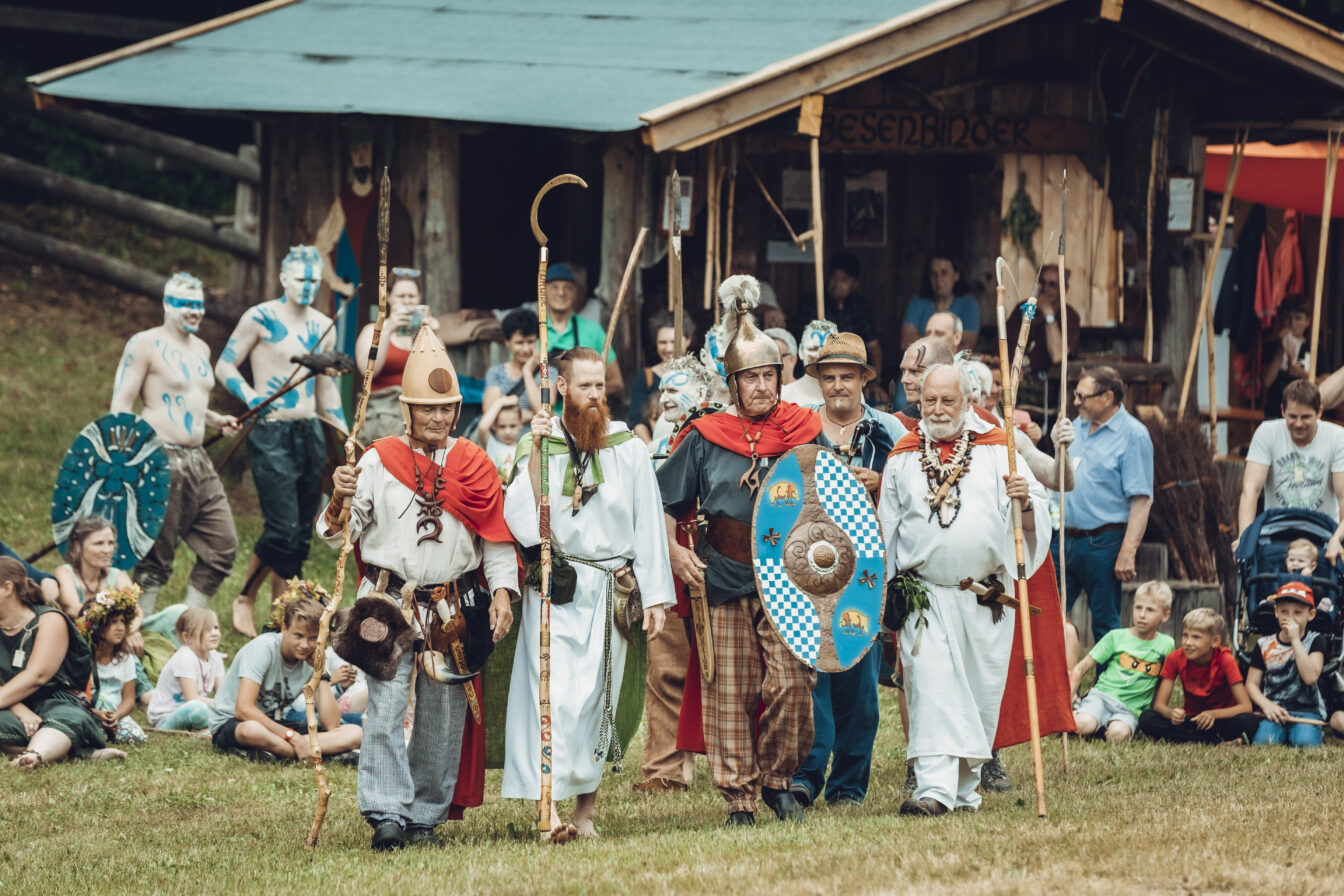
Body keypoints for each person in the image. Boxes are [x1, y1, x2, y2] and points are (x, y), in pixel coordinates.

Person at [322, 322, 516, 850]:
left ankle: (424, 817)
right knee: (385, 707)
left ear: (457, 409)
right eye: (427, 409)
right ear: (406, 410)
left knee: (442, 714)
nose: (438, 417)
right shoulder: (377, 459)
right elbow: (341, 531)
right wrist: (340, 497)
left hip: (450, 604)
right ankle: (386, 813)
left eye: (446, 408)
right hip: (385, 600)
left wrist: (502, 592)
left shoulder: (474, 463)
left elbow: (495, 536)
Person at [658, 275, 822, 826]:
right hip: (724, 572)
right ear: (732, 383)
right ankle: (739, 798)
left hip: (790, 575)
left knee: (792, 682)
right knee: (729, 689)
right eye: (750, 377)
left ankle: (777, 780)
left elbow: (833, 500)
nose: (761, 386)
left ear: (781, 376)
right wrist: (674, 551)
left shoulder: (804, 430)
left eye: (769, 375)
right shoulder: (705, 435)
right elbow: (664, 502)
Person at [503, 346, 674, 839]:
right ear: (561, 387)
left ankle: (585, 814)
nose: (596, 395)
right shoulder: (541, 443)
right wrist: (537, 451)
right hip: (559, 588)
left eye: (600, 386)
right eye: (585, 386)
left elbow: (648, 524)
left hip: (610, 589)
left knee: (599, 700)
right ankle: (550, 813)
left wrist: (655, 597)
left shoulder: (628, 447)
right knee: (553, 698)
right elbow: (523, 520)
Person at [879, 364, 1049, 815]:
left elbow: (1036, 518)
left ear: (968, 402)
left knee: (976, 696)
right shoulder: (903, 455)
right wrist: (882, 592)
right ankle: (933, 790)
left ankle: (961, 791)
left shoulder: (998, 449)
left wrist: (1025, 500)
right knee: (932, 689)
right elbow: (885, 529)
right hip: (925, 596)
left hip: (985, 598)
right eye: (929, 400)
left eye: (947, 400)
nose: (937, 409)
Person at [787, 333, 900, 809]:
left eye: (847, 377)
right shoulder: (800, 428)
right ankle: (806, 776)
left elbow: (913, 490)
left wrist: (883, 482)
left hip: (866, 571)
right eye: (829, 377)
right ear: (819, 381)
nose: (838, 385)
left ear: (863, 380)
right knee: (813, 675)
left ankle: (849, 786)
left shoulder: (888, 432)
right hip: (807, 569)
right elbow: (782, 491)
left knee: (859, 681)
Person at [217, 245, 349, 638]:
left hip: (309, 430)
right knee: (282, 526)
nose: (308, 286)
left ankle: (283, 609)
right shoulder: (260, 317)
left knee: (303, 529)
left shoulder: (324, 324)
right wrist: (251, 397)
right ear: (284, 278)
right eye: (301, 278)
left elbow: (325, 388)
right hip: (271, 429)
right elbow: (224, 365)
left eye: (314, 280)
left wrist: (344, 436)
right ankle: (244, 597)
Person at [110, 272, 240, 613]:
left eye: (199, 304)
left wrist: (215, 419)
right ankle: (139, 627)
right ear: (167, 304)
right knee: (156, 552)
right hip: (159, 456)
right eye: (185, 304)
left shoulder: (201, 348)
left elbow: (189, 401)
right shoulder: (144, 344)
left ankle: (188, 627)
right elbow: (121, 404)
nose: (194, 311)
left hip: (198, 460)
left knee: (223, 545)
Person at [0, 557, 125, 768]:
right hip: (9, 705)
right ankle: (70, 752)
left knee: (68, 718)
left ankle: (34, 755)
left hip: (55, 700)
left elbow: (37, 677)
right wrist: (18, 708)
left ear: (7, 588)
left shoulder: (49, 619)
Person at [209, 597, 361, 763]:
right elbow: (243, 710)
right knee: (252, 730)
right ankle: (310, 754)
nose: (304, 645)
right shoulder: (262, 649)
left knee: (354, 733)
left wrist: (320, 672)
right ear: (284, 629)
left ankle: (278, 751)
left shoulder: (311, 658)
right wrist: (292, 737)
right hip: (233, 723)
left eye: (313, 638)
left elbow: (332, 724)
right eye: (298, 635)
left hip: (272, 725)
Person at [1062, 366, 1154, 643]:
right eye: (1076, 394)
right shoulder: (1075, 426)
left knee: (1104, 624)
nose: (1076, 401)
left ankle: (1108, 673)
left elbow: (1142, 499)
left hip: (1104, 541)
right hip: (1064, 537)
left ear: (1108, 397)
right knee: (1048, 613)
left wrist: (1128, 552)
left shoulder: (1134, 435)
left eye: (1083, 396)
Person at [1238, 379, 1344, 566]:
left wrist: (1338, 539)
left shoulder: (1337, 437)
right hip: (1276, 531)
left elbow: (1343, 497)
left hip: (1323, 533)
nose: (1299, 423)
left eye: (1306, 417)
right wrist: (1244, 539)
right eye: (1292, 416)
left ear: (1319, 412)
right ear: (1282, 411)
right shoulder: (1267, 432)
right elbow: (1251, 490)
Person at [1068, 581, 1174, 743]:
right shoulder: (1116, 637)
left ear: (1165, 616)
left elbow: (1162, 682)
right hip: (1101, 698)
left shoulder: (1167, 645)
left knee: (1118, 735)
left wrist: (1154, 716)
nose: (1142, 615)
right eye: (1138, 607)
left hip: (1130, 709)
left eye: (1150, 610)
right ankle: (1086, 717)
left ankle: (1102, 726)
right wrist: (1066, 705)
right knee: (1083, 725)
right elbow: (1080, 669)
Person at [1138, 608, 1257, 744]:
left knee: (1249, 721)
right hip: (1191, 720)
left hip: (1220, 721)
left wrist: (1213, 714)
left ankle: (1187, 739)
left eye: (1196, 637)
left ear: (1215, 641)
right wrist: (1171, 713)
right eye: (1185, 635)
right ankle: (1217, 742)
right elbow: (1159, 705)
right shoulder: (1175, 658)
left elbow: (1246, 707)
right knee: (1146, 719)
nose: (1188, 642)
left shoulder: (1226, 660)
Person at [355, 268, 439, 444]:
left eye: (412, 296)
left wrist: (434, 336)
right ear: (389, 297)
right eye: (401, 296)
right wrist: (388, 330)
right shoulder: (373, 330)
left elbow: (441, 376)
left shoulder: (427, 332)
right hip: (380, 417)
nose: (407, 301)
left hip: (418, 414)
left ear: (420, 298)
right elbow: (367, 371)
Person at [1245, 582, 1327, 747]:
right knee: (1263, 744)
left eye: (1298, 612)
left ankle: (1310, 733)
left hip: (1307, 711)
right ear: (1276, 612)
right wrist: (1266, 705)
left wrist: (1295, 640)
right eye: (1284, 611)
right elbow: (1251, 684)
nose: (1290, 617)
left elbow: (1310, 677)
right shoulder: (1263, 644)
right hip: (1274, 709)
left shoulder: (1316, 640)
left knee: (1304, 743)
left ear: (1310, 614)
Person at [1005, 264, 1080, 417]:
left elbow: (1058, 355)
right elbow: (1000, 346)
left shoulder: (1069, 316)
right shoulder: (1022, 309)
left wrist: (1048, 313)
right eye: (1042, 282)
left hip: (1042, 387)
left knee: (1004, 396)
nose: (1045, 288)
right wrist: (1009, 367)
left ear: (1064, 289)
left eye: (1052, 285)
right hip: (1011, 378)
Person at [79, 585, 147, 745]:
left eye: (123, 621)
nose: (120, 627)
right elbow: (74, 696)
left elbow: (129, 699)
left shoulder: (125, 658)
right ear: (97, 626)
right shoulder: (83, 658)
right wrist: (95, 713)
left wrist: (117, 715)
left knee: (135, 736)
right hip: (88, 713)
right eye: (113, 622)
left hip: (115, 715)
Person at [542, 263, 622, 395]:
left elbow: (616, 381)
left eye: (568, 288)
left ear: (576, 292)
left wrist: (583, 394)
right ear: (543, 291)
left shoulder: (593, 330)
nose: (561, 293)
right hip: (539, 407)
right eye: (554, 287)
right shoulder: (532, 332)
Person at [804, 254, 881, 389]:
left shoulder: (860, 306)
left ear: (854, 284)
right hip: (819, 374)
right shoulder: (813, 304)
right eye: (834, 278)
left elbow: (874, 347)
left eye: (843, 280)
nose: (837, 284)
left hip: (854, 375)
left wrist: (874, 382)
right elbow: (805, 347)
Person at [147, 607, 224, 731]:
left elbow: (223, 693)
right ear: (187, 637)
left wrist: (229, 704)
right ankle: (213, 726)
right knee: (199, 708)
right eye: (207, 629)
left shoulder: (215, 657)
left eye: (216, 627)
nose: (215, 633)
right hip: (167, 716)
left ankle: (213, 724)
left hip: (197, 710)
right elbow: (192, 698)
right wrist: (224, 705)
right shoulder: (185, 657)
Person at [629, 311, 694, 441]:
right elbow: (637, 421)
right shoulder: (646, 377)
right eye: (662, 342)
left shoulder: (698, 377)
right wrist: (652, 448)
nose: (668, 348)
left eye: (674, 341)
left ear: (688, 340)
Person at [901, 251, 979, 351]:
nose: (938, 280)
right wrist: (948, 340)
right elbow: (905, 342)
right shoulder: (917, 302)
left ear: (956, 275)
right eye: (934, 274)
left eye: (944, 273)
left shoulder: (969, 305)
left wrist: (921, 339)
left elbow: (967, 346)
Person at [482, 308, 542, 416]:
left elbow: (543, 411)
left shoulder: (546, 372)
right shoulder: (496, 373)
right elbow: (489, 413)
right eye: (519, 343)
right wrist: (528, 415)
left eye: (530, 342)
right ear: (507, 342)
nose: (526, 349)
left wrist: (527, 373)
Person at [1261, 299, 1309, 417]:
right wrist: (1281, 347)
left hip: (1303, 412)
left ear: (1307, 321)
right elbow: (1266, 382)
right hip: (1274, 411)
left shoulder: (1314, 348)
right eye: (1288, 318)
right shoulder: (1272, 346)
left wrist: (1303, 374)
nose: (1292, 323)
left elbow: (1324, 381)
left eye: (1298, 318)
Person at [894, 337, 954, 426]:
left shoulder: (972, 419)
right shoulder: (897, 423)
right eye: (903, 371)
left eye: (915, 371)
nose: (904, 380)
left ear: (943, 373)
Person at [781, 319, 837, 407]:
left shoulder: (850, 394)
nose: (819, 355)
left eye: (827, 350)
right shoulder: (785, 396)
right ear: (800, 351)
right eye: (813, 349)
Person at [476, 396, 524, 477]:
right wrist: (500, 402)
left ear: (520, 424)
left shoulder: (525, 450)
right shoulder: (492, 446)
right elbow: (482, 427)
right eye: (502, 426)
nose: (507, 431)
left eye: (512, 426)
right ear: (494, 426)